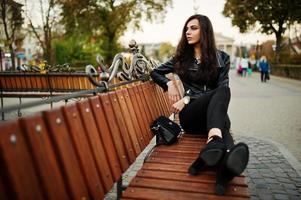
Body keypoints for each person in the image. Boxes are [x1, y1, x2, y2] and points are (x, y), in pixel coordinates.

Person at [150, 14, 249, 195]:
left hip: (212, 119)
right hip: (191, 117)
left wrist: (186, 97)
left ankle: (220, 172)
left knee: (222, 118)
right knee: (223, 113)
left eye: (193, 28)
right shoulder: (181, 59)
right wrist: (169, 83)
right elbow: (155, 72)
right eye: (186, 29)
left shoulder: (222, 59)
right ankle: (216, 144)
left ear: (204, 31)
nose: (188, 32)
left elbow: (221, 89)